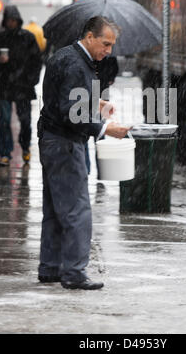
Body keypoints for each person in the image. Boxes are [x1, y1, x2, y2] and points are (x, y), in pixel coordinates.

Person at [37, 16, 130, 290]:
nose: (109, 51)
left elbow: (61, 99)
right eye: (106, 43)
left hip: (51, 140)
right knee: (77, 209)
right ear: (90, 37)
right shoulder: (78, 65)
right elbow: (70, 113)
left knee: (55, 209)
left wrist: (95, 102)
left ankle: (50, 268)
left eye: (112, 45)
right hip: (65, 144)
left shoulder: (66, 57)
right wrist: (105, 128)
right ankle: (75, 273)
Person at [0, 5, 42, 166]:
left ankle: (25, 147)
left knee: (24, 120)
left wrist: (32, 79)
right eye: (9, 20)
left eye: (13, 20)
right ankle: (5, 153)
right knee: (4, 120)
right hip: (4, 85)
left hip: (23, 87)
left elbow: (37, 60)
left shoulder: (28, 37)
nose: (11, 23)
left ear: (18, 20)